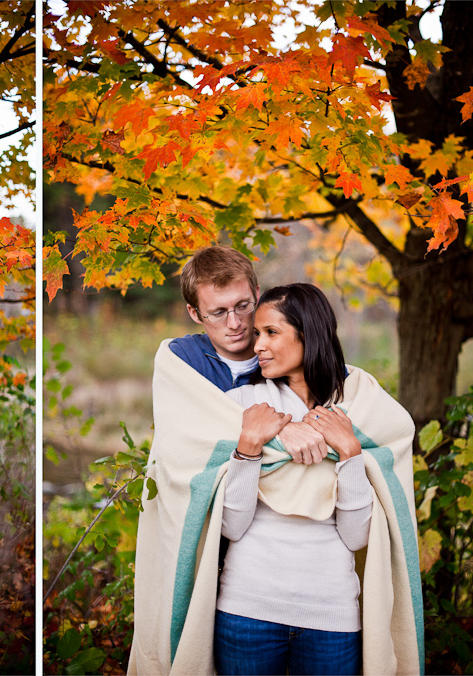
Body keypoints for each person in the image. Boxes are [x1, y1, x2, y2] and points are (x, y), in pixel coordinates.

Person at [215, 283, 373, 675]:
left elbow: (357, 537)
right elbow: (231, 526)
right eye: (256, 334)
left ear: (309, 334)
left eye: (271, 333)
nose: (257, 346)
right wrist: (249, 448)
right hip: (245, 607)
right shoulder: (242, 406)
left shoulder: (359, 407)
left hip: (331, 614)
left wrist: (350, 454)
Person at [169, 246, 331, 465]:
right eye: (218, 313)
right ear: (195, 313)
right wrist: (281, 429)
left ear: (256, 293)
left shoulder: (283, 360)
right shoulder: (183, 358)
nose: (234, 323)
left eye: (243, 306)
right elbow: (184, 435)